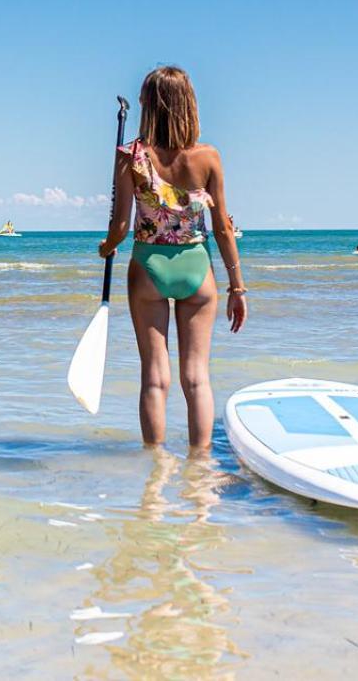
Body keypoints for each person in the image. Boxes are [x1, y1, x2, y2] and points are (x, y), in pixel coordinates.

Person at [100, 66, 246, 453]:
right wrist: (237, 286)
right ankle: (200, 472)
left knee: (154, 378)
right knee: (196, 378)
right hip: (197, 271)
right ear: (189, 105)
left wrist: (107, 246)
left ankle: (156, 471)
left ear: (148, 105)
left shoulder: (129, 155)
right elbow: (223, 229)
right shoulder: (208, 157)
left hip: (148, 268)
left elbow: (120, 225)